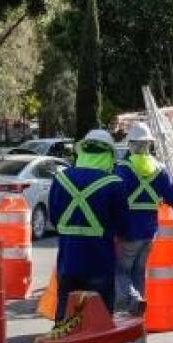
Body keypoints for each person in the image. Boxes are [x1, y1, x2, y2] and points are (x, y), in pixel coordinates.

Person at [47, 128, 126, 322]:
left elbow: (55, 219)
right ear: (109, 156)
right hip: (100, 262)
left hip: (68, 262)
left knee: (65, 318)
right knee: (100, 322)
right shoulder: (114, 183)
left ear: (82, 152)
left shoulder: (61, 179)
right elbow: (122, 225)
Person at [114, 121, 173, 317]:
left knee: (121, 272)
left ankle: (133, 302)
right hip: (149, 232)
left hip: (128, 231)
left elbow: (113, 197)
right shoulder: (159, 169)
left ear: (131, 144)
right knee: (138, 273)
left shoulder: (122, 169)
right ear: (149, 145)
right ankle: (137, 317)